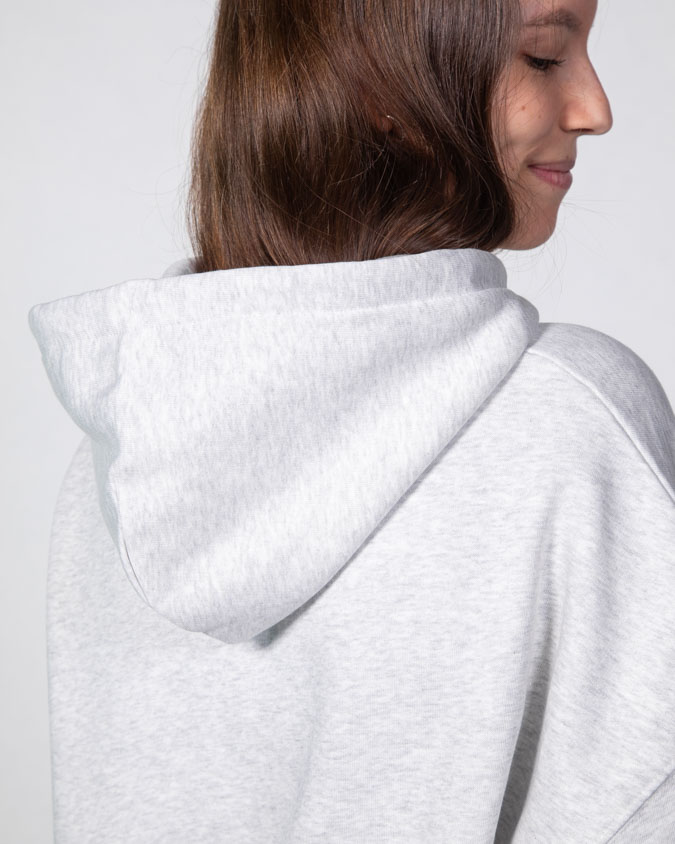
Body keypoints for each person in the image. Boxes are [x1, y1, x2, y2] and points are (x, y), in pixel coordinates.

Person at [27, 0, 675, 841]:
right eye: (544, 56)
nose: (594, 108)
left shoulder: (119, 473)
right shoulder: (568, 416)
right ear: (381, 78)